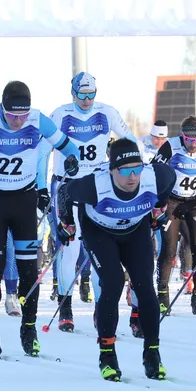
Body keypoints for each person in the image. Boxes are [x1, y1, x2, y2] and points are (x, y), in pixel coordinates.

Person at [0, 80, 78, 357]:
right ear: (3, 108)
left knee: (29, 272)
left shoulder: (38, 119)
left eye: (22, 115)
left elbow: (66, 145)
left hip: (24, 201)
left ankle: (29, 329)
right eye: (13, 115)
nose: (18, 121)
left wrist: (72, 158)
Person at [57, 138, 174, 380]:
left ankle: (152, 353)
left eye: (137, 169)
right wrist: (66, 222)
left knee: (145, 287)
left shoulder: (155, 176)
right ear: (112, 170)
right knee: (113, 283)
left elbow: (169, 181)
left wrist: (159, 208)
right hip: (99, 231)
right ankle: (107, 354)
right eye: (125, 171)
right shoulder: (94, 185)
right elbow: (65, 192)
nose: (133, 177)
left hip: (135, 230)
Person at [49, 72, 135, 329]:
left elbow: (130, 141)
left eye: (91, 94)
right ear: (72, 92)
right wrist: (40, 187)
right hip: (68, 185)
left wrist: (128, 169)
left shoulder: (107, 112)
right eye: (81, 94)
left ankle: (101, 308)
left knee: (101, 249)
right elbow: (44, 149)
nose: (86, 100)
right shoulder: (60, 114)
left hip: (99, 185)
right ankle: (65, 307)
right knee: (71, 248)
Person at [151, 116, 196, 316]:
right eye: (189, 139)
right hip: (173, 203)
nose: (193, 144)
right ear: (182, 136)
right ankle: (163, 297)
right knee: (169, 249)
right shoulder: (170, 147)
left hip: (195, 203)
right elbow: (152, 171)